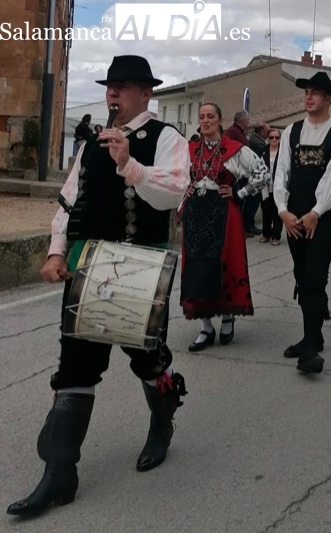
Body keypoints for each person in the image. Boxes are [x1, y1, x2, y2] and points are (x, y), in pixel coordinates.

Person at [7, 55, 190, 517]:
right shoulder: (90, 143)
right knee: (76, 364)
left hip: (140, 267)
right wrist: (54, 250)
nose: (114, 93)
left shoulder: (166, 138)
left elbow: (173, 193)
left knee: (148, 360)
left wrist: (130, 164)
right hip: (89, 265)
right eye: (111, 86)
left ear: (147, 93)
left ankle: (163, 415)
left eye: (125, 86)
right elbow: (70, 201)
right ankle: (59, 475)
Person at [273, 72, 331, 374]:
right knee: (301, 275)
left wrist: (317, 211)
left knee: (315, 276)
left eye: (316, 92)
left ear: (329, 98)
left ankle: (308, 350)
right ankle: (314, 335)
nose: (309, 97)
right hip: (294, 217)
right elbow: (281, 172)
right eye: (307, 92)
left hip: (324, 217)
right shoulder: (291, 131)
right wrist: (282, 210)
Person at [179, 103, 270, 351]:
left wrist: (239, 194)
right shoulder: (189, 149)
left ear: (220, 120)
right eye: (202, 117)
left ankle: (227, 314)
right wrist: (185, 187)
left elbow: (263, 174)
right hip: (196, 214)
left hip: (224, 213)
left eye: (210, 116)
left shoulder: (234, 149)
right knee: (197, 267)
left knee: (225, 262)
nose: (205, 120)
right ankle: (205, 326)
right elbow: (176, 175)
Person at [260, 128, 284, 245]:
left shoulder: (284, 152)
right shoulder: (263, 151)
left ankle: (276, 236)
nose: (274, 140)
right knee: (266, 211)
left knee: (277, 212)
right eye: (271, 137)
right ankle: (266, 234)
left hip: (279, 186)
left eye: (277, 137)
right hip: (265, 187)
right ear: (267, 139)